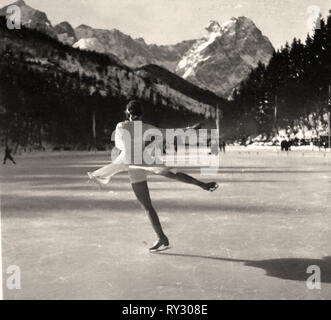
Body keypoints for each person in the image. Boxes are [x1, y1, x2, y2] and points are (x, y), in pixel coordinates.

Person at [88, 100, 219, 252]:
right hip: (145, 160)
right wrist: (190, 129)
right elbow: (169, 133)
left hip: (132, 164)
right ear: (141, 114)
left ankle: (162, 237)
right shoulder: (146, 127)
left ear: (127, 113)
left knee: (147, 206)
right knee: (173, 174)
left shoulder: (121, 126)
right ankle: (202, 185)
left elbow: (120, 145)